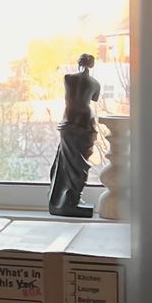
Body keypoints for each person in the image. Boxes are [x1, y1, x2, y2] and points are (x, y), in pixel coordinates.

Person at [48, 53, 100, 217]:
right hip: (84, 123)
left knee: (70, 162)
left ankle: (69, 200)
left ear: (79, 63)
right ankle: (70, 200)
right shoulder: (95, 84)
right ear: (92, 65)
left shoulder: (68, 78)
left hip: (70, 123)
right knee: (78, 163)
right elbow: (93, 99)